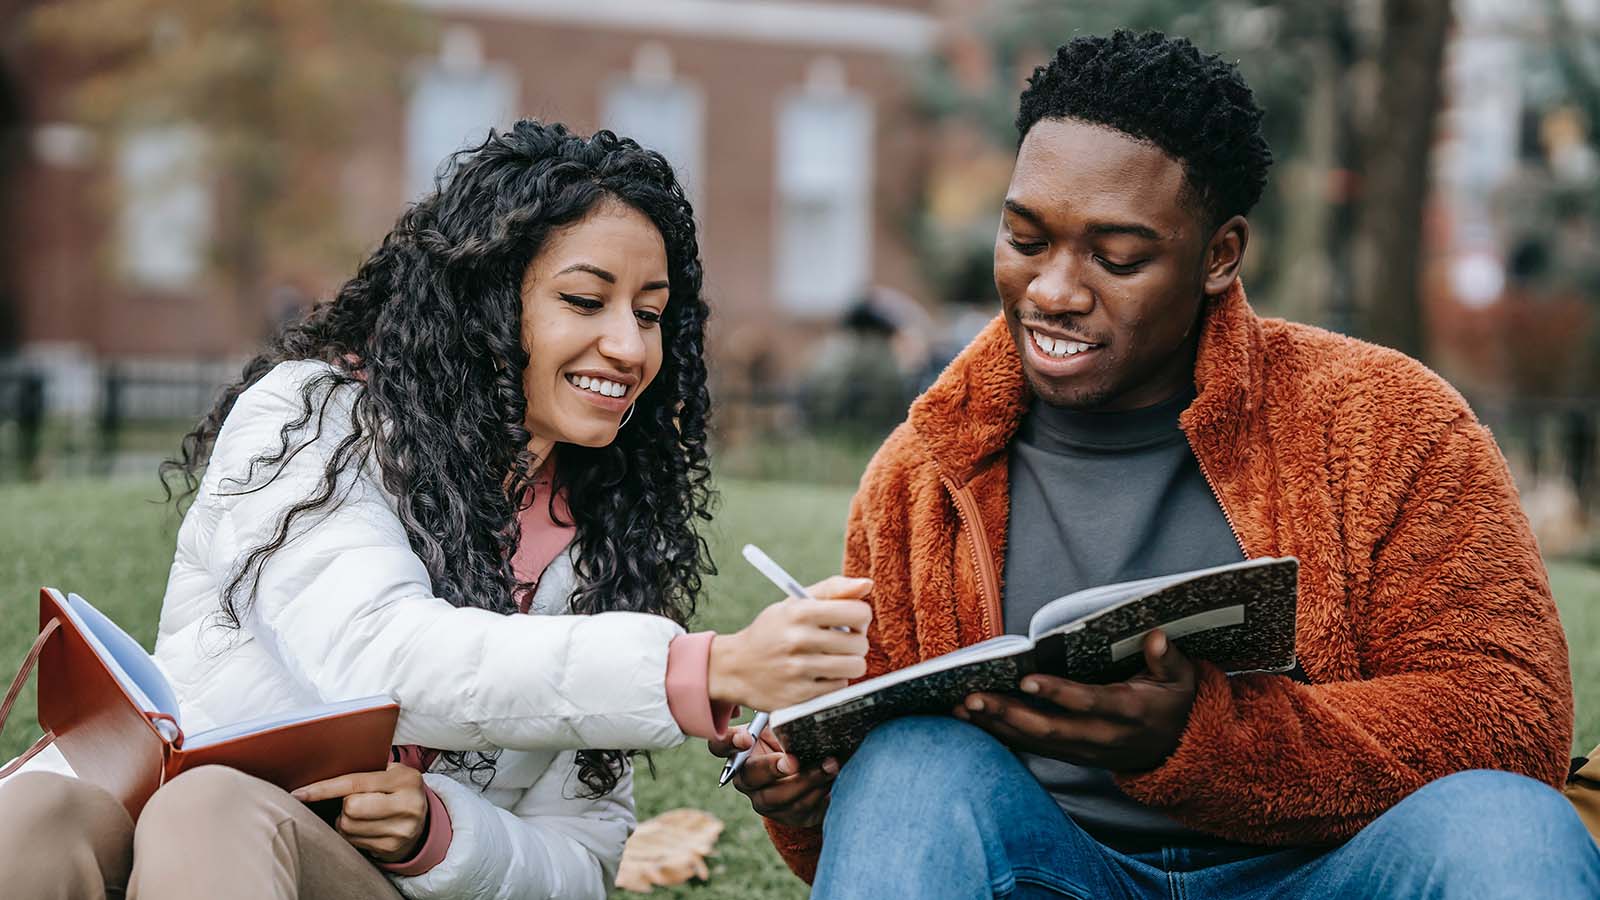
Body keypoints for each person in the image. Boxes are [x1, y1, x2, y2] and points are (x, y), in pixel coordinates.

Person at [713, 30, 1600, 898]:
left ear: (1220, 256)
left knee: (1512, 827)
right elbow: (894, 829)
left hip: (1328, 868)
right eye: (1025, 240)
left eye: (1118, 256)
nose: (1053, 291)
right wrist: (805, 785)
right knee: (908, 763)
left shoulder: (1389, 422)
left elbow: (1507, 721)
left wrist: (1208, 738)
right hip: (1052, 871)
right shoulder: (925, 467)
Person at [0, 121, 872, 900]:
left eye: (650, 314)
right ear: (486, 300)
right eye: (584, 300)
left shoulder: (605, 539)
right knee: (37, 818)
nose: (628, 344)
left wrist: (438, 833)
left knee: (214, 809)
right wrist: (699, 670)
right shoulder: (313, 423)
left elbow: (580, 861)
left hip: (315, 865)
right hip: (149, 820)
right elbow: (379, 654)